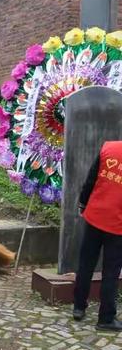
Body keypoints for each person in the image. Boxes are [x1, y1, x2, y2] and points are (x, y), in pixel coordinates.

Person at [73, 140, 122, 331]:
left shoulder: (108, 147)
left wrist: (83, 203)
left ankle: (78, 307)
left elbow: (91, 179)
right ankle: (106, 318)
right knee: (111, 271)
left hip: (95, 215)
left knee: (86, 263)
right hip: (117, 225)